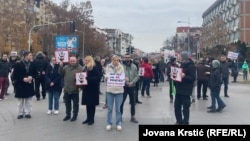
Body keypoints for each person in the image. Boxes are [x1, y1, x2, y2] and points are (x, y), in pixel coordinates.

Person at [173, 51, 196, 125]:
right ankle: (179, 121)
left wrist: (184, 76)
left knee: (185, 108)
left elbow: (193, 78)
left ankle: (185, 121)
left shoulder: (191, 66)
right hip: (179, 89)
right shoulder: (180, 65)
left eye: (180, 56)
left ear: (183, 57)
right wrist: (174, 77)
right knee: (177, 107)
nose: (179, 57)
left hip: (186, 90)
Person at [59, 56, 83, 122]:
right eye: (71, 60)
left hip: (75, 89)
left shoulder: (80, 67)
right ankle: (68, 115)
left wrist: (80, 87)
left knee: (75, 104)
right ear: (69, 60)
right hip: (67, 88)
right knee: (67, 103)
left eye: (73, 61)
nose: (72, 62)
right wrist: (61, 66)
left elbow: (83, 76)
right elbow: (60, 73)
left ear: (76, 61)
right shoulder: (66, 67)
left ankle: (75, 115)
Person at [12, 52, 36, 119]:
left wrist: (31, 77)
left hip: (29, 84)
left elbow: (35, 73)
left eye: (31, 55)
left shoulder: (32, 64)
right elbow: (15, 75)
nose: (31, 56)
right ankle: (20, 113)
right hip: (21, 84)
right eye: (30, 55)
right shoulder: (18, 64)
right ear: (26, 56)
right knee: (21, 101)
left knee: (28, 100)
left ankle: (27, 112)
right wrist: (23, 78)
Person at [104, 55, 124, 131]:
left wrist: (124, 78)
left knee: (118, 109)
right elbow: (106, 74)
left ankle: (118, 123)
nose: (116, 61)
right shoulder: (108, 66)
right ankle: (109, 123)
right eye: (114, 60)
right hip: (110, 90)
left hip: (119, 90)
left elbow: (122, 76)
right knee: (110, 109)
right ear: (112, 60)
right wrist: (106, 77)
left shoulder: (121, 67)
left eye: (117, 60)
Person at [81, 56, 102, 125]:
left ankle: (91, 119)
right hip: (86, 88)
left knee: (92, 105)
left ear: (90, 61)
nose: (84, 61)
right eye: (85, 60)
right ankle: (88, 118)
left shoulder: (94, 67)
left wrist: (88, 78)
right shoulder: (85, 68)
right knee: (87, 104)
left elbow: (98, 78)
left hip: (93, 89)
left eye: (86, 60)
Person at [121, 54, 139, 123]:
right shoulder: (121, 66)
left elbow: (137, 76)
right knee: (121, 102)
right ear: (124, 58)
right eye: (126, 57)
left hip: (132, 86)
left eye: (128, 57)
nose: (127, 58)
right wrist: (126, 82)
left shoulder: (134, 66)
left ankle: (133, 116)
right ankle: (120, 116)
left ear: (130, 58)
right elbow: (119, 76)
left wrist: (132, 82)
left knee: (133, 102)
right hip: (124, 87)